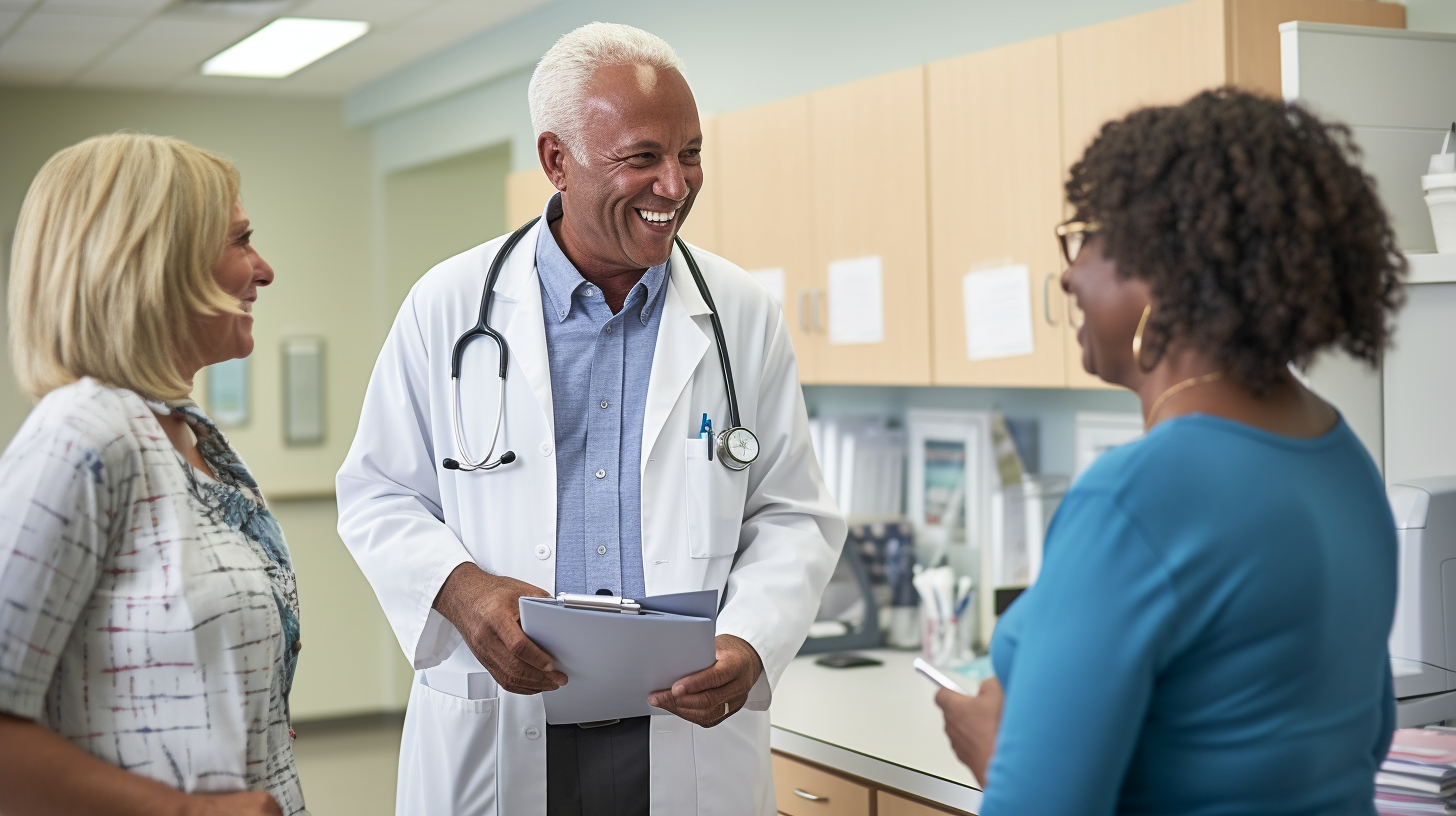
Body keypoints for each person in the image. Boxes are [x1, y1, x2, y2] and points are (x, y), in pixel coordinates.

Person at [335, 22, 845, 816]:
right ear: (556, 160)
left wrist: (749, 643)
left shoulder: (739, 312)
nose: (675, 186)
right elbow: (376, 494)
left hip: (683, 730)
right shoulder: (449, 305)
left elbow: (791, 514)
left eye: (692, 153)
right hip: (507, 723)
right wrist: (465, 593)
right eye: (643, 158)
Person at [935, 88, 1403, 815]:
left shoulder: (1136, 496)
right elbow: (1366, 738)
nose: (1069, 273)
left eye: (1087, 237)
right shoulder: (1344, 458)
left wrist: (1000, 757)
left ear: (1163, 266)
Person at [0, 133, 302, 816]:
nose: (264, 269)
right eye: (241, 240)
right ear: (157, 260)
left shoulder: (193, 437)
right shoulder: (82, 436)